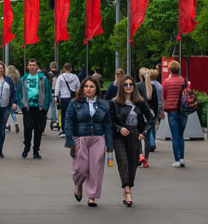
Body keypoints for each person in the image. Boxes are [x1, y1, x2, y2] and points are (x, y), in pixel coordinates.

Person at [64, 76, 114, 207]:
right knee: (81, 168)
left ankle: (92, 196)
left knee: (96, 168)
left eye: (91, 87)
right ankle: (78, 185)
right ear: (82, 88)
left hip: (98, 137)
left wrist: (109, 144)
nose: (88, 89)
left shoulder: (104, 104)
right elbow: (68, 121)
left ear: (96, 89)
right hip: (80, 137)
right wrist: (69, 140)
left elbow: (108, 124)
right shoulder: (75, 103)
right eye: (86, 86)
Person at [111, 75, 153, 206]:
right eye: (125, 84)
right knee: (123, 162)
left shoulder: (139, 102)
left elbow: (150, 118)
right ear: (121, 86)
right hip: (119, 136)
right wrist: (118, 129)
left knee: (132, 164)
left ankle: (128, 187)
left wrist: (144, 132)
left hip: (135, 134)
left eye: (131, 84)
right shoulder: (115, 102)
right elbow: (110, 121)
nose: (128, 87)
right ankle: (127, 191)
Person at [19, 58, 52, 159]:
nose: (32, 67)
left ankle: (36, 150)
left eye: (33, 65)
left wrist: (46, 106)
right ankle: (27, 145)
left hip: (40, 109)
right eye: (30, 65)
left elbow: (48, 93)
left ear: (37, 67)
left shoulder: (43, 78)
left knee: (38, 131)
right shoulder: (23, 79)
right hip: (28, 108)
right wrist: (21, 106)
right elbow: (19, 93)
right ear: (28, 66)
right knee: (27, 128)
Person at [161, 60, 189, 168]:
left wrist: (162, 111)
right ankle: (182, 158)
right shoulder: (184, 81)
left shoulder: (166, 82)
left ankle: (176, 160)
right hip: (183, 111)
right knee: (181, 136)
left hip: (172, 111)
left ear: (170, 69)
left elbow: (164, 97)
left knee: (175, 136)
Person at [55, 62, 81, 130]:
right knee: (72, 113)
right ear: (71, 69)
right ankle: (72, 128)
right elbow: (79, 88)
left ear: (64, 68)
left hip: (63, 97)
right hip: (72, 97)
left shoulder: (61, 77)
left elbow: (57, 88)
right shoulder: (75, 77)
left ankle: (64, 129)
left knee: (64, 114)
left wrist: (56, 98)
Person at [6, 65, 22, 133]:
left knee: (6, 110)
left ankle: (5, 124)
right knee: (12, 110)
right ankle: (15, 122)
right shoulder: (17, 75)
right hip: (15, 94)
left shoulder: (7, 77)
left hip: (8, 94)